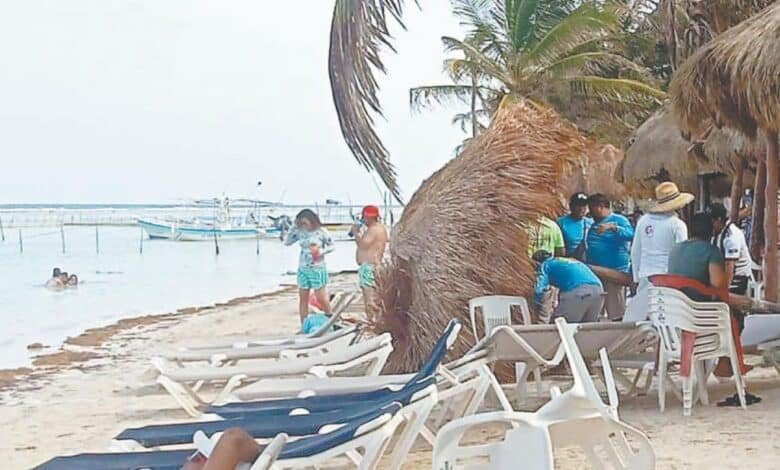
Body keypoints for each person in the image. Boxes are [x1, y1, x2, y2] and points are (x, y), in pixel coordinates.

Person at [665, 212, 760, 406]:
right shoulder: (711, 251)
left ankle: (723, 364)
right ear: (710, 231)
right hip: (700, 317)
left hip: (676, 316)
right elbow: (719, 286)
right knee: (735, 316)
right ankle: (726, 363)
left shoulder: (675, 250)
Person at [626, 182, 692, 322]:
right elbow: (682, 256)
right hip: (668, 278)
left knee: (644, 320)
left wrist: (636, 278)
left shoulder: (643, 221)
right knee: (666, 320)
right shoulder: (677, 225)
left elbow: (635, 251)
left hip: (645, 277)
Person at [586, 194, 634, 320]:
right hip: (595, 272)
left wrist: (613, 228)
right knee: (596, 311)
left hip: (613, 273)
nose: (590, 212)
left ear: (600, 207)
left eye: (591, 209)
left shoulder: (619, 220)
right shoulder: (594, 223)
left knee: (616, 311)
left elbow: (631, 235)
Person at [284, 209, 334, 324]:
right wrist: (293, 227)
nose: (304, 225)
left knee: (320, 296)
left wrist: (320, 251)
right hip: (303, 267)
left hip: (317, 267)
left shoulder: (321, 231)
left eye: (306, 223)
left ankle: (330, 318)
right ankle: (304, 324)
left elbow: (332, 246)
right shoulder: (300, 231)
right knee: (303, 297)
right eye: (302, 223)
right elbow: (287, 242)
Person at [533, 250, 604, 323]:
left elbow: (539, 290)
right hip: (599, 290)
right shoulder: (567, 261)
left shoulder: (545, 265)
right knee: (587, 330)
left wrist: (535, 304)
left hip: (579, 292)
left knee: (558, 326)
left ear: (537, 263)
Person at [350, 205, 388, 321]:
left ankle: (373, 322)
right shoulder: (379, 228)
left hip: (369, 266)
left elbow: (363, 245)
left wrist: (356, 233)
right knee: (372, 297)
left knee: (370, 299)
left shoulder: (374, 229)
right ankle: (375, 320)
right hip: (370, 266)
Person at [708, 202, 752, 298]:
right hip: (722, 274)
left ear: (718, 220)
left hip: (738, 278)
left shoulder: (732, 236)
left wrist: (723, 291)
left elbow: (730, 267)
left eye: (710, 221)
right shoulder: (716, 233)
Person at [557, 192, 592, 259]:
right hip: (568, 261)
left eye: (584, 206)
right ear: (571, 206)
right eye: (578, 205)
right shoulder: (561, 223)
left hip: (589, 263)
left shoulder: (591, 223)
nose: (581, 209)